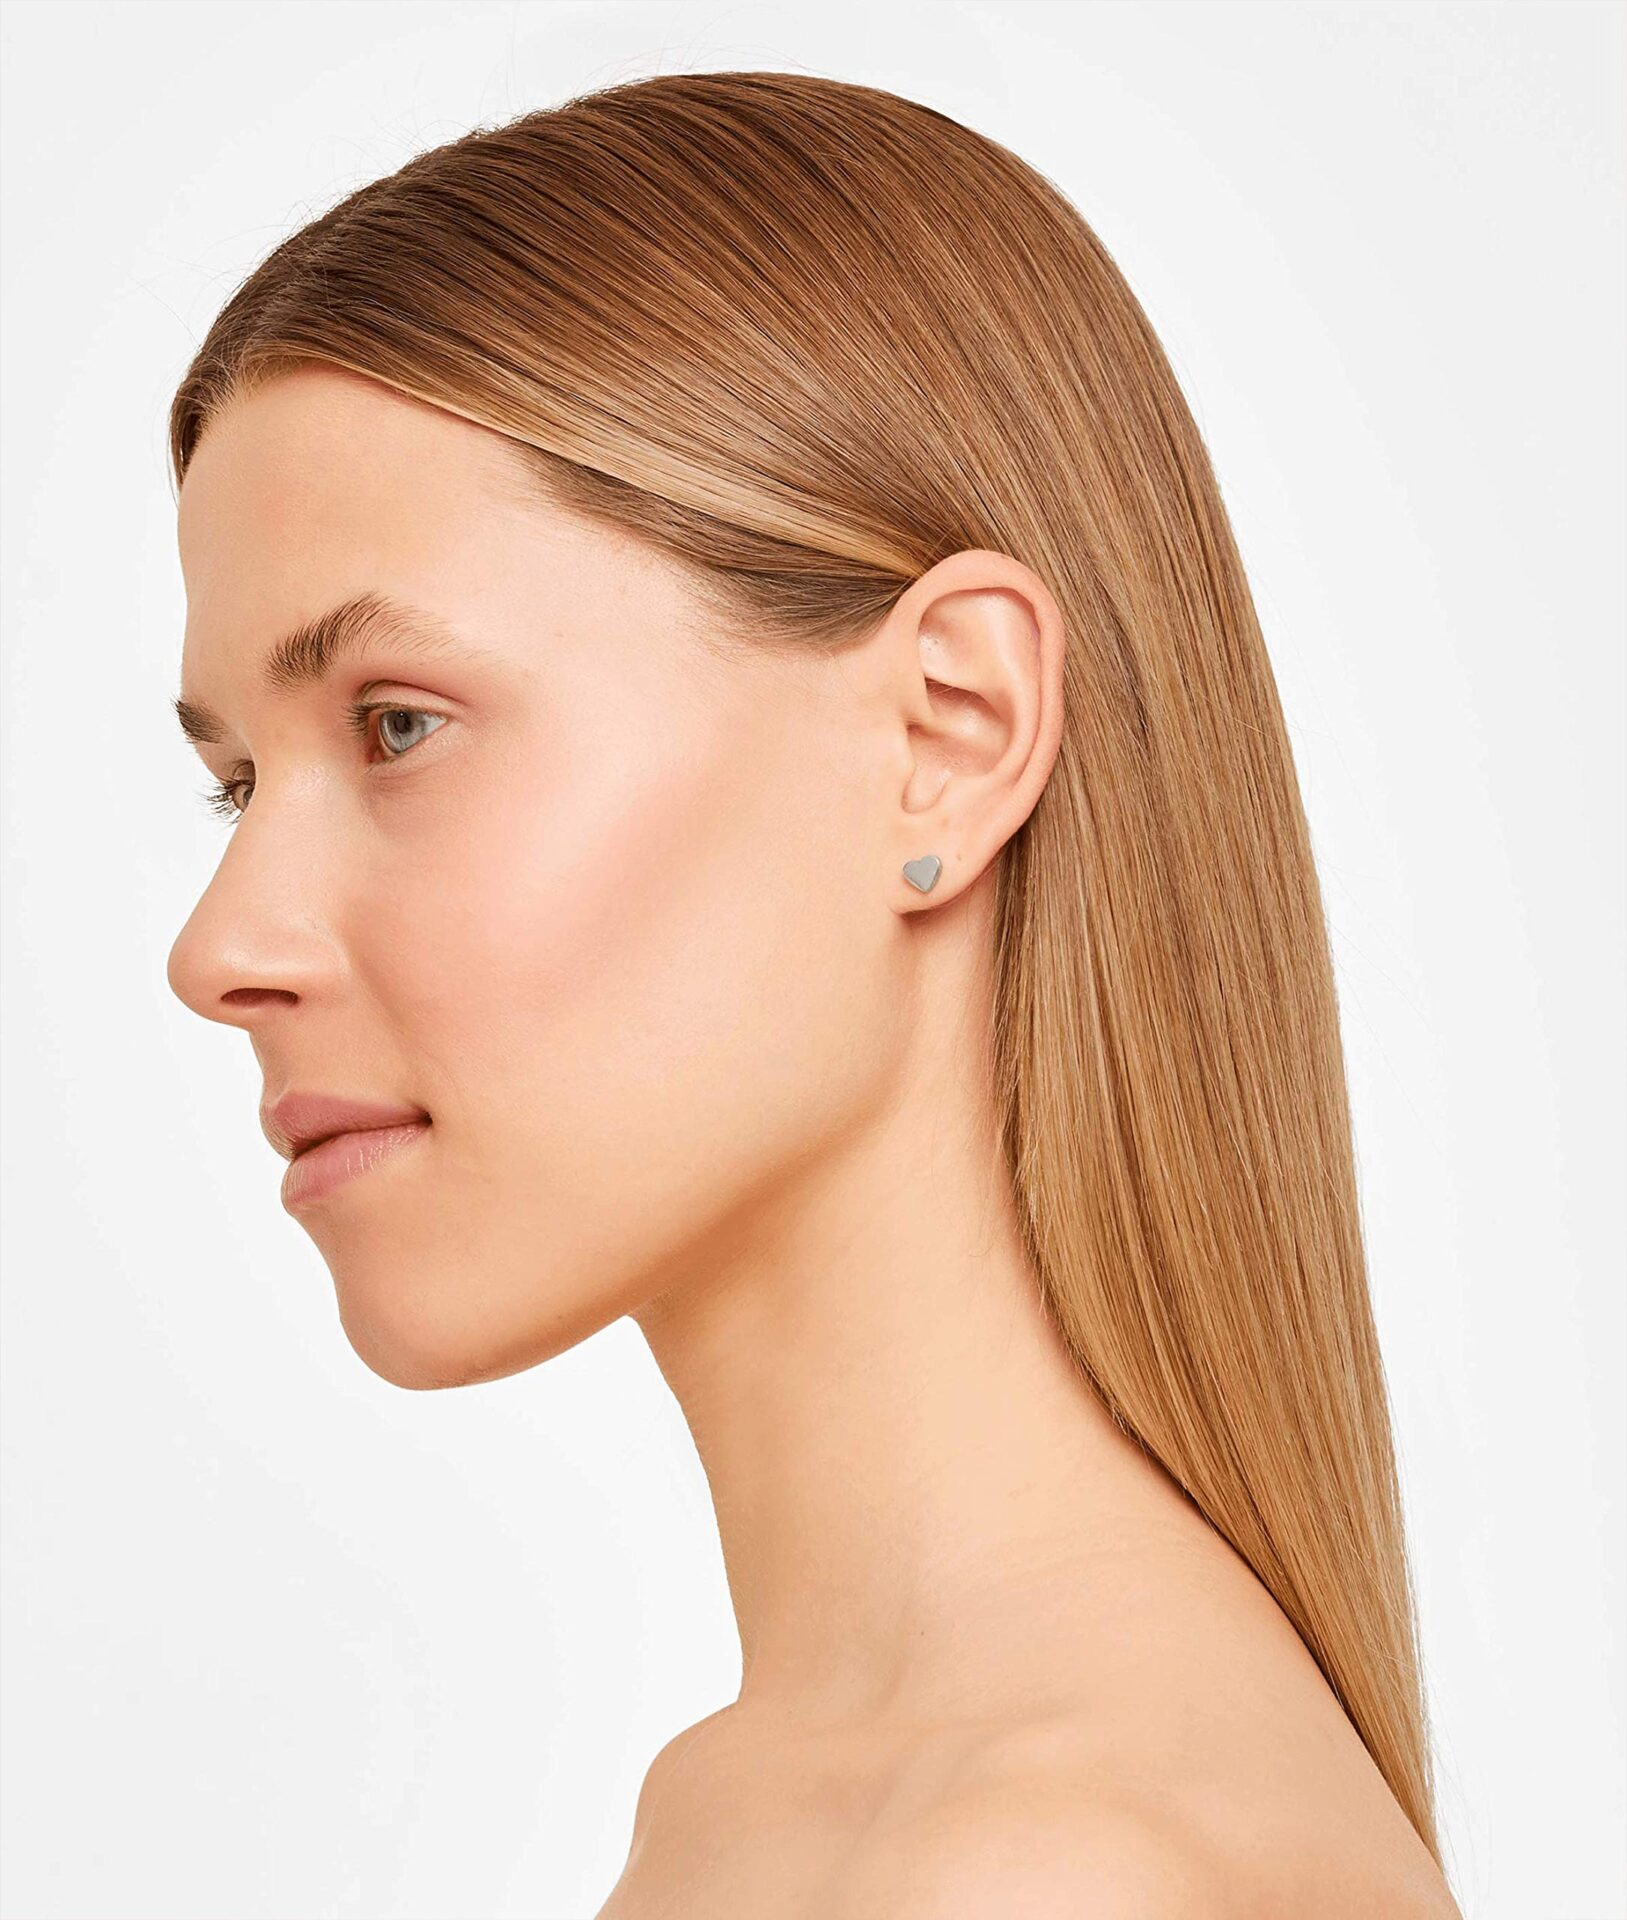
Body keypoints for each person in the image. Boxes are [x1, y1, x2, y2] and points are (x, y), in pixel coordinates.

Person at [163, 71, 1464, 1918]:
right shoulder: (772, 1813)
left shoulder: (1044, 1869)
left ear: (950, 733)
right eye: (237, 784)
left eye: (398, 727)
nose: (221, 948)